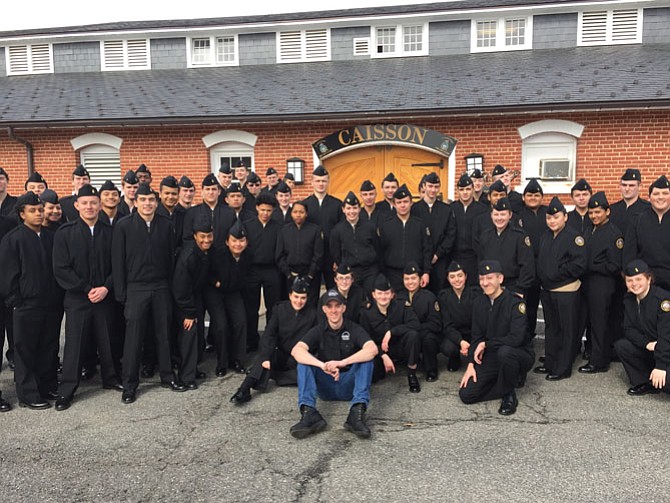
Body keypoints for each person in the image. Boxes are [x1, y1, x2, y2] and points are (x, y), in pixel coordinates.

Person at [112, 183, 185, 404]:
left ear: (157, 201)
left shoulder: (166, 224)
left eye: (151, 200)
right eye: (143, 200)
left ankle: (167, 376)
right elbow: (117, 261)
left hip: (161, 286)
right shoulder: (124, 226)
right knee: (134, 338)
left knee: (163, 333)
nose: (147, 204)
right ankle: (130, 384)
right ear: (135, 202)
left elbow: (171, 259)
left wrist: (171, 288)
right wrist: (121, 293)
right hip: (136, 288)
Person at [52, 185, 122, 411]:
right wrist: (85, 288)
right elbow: (61, 268)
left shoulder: (111, 232)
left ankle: (110, 379)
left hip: (104, 295)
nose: (90, 207)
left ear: (100, 205)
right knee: (75, 345)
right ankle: (68, 389)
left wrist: (105, 288)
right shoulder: (65, 232)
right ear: (76, 205)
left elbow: (119, 266)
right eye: (85, 203)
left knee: (107, 340)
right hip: (78, 298)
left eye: (93, 202)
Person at [0, 192, 62, 409]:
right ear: (22, 214)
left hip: (51, 303)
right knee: (25, 350)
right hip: (26, 305)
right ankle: (28, 393)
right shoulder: (13, 239)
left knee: (48, 347)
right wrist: (16, 301)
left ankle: (46, 386)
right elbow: (8, 274)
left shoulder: (50, 236)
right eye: (32, 210)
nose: (38, 214)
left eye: (40, 209)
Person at [289, 289, 378, 439]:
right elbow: (296, 350)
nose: (334, 310)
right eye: (329, 306)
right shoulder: (318, 330)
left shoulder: (354, 328)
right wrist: (321, 365)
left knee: (366, 359)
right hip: (325, 386)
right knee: (304, 362)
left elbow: (372, 349)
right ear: (324, 309)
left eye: (337, 306)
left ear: (344, 308)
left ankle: (356, 413)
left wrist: (343, 362)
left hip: (349, 385)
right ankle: (309, 413)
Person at [458, 260, 534, 416]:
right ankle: (503, 382)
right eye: (481, 279)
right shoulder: (479, 302)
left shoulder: (515, 302)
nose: (485, 283)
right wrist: (471, 363)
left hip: (518, 354)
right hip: (493, 355)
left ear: (500, 279)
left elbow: (517, 338)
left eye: (489, 278)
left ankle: (508, 393)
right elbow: (476, 336)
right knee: (466, 395)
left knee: (505, 352)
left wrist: (486, 344)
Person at [230, 277, 317, 404]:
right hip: (281, 354)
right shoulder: (279, 309)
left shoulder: (313, 314)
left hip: (299, 358)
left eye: (303, 298)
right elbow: (269, 334)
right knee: (262, 358)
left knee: (309, 374)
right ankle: (244, 390)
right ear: (290, 295)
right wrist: (266, 357)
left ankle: (274, 375)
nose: (299, 301)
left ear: (307, 298)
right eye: (296, 297)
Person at [534, 197, 587, 381]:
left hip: (566, 290)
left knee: (567, 330)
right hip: (548, 290)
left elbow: (579, 264)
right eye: (549, 218)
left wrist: (555, 274)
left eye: (556, 217)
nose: (552, 221)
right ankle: (550, 362)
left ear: (565, 217)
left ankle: (563, 368)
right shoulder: (545, 236)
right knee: (551, 328)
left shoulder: (574, 237)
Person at [578, 191, 623, 374]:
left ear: (607, 212)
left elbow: (614, 265)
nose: (594, 216)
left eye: (598, 212)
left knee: (600, 324)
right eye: (591, 212)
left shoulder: (614, 233)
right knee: (589, 321)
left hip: (602, 285)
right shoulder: (589, 229)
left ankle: (599, 361)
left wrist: (591, 266)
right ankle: (591, 352)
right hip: (587, 283)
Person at [614, 260, 670, 395]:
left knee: (666, 385)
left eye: (639, 279)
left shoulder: (663, 300)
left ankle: (659, 379)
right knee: (622, 346)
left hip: (666, 349)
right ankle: (645, 382)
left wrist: (661, 366)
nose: (634, 284)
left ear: (649, 279)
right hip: (652, 346)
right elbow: (628, 329)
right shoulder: (629, 299)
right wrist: (647, 344)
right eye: (630, 280)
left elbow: (666, 335)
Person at [172, 213, 214, 390]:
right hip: (183, 300)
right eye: (202, 236)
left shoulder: (206, 251)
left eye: (209, 236)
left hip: (195, 296)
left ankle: (193, 369)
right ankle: (186, 376)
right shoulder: (188, 256)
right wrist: (189, 312)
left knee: (198, 337)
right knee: (188, 337)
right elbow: (180, 288)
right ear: (195, 236)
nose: (206, 240)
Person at [359, 274, 422, 392]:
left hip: (399, 346)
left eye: (387, 293)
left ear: (392, 295)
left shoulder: (401, 305)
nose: (383, 297)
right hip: (378, 350)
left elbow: (415, 324)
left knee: (413, 335)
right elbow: (366, 340)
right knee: (374, 376)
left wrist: (392, 332)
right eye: (380, 293)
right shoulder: (366, 312)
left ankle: (411, 373)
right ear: (373, 295)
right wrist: (383, 355)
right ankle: (385, 366)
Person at [243, 193, 283, 352]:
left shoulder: (278, 227)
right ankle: (251, 340)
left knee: (273, 307)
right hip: (252, 270)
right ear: (257, 208)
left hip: (271, 269)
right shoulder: (247, 225)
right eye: (262, 210)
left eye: (269, 210)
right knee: (251, 307)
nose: (265, 213)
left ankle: (270, 340)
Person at [211, 220, 251, 375]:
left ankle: (238, 361)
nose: (238, 244)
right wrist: (215, 282)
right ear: (227, 242)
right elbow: (206, 272)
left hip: (234, 292)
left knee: (240, 322)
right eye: (234, 241)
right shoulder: (218, 253)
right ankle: (222, 363)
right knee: (221, 326)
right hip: (216, 292)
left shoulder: (247, 256)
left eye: (241, 241)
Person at [476, 197, 535, 298]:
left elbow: (527, 266)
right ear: (491, 215)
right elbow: (481, 262)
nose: (499, 218)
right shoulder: (485, 236)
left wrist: (520, 289)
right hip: (490, 287)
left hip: (513, 288)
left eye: (503, 214)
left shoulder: (519, 236)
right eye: (496, 214)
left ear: (510, 215)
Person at [377, 184, 431, 291]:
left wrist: (426, 272)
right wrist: (383, 274)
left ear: (411, 203)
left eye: (405, 202)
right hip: (392, 274)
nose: (403, 205)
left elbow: (427, 250)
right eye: (399, 202)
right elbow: (380, 251)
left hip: (415, 275)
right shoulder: (386, 225)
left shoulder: (420, 224)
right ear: (394, 204)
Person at [410, 172, 456, 293]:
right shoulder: (414, 209)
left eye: (436, 187)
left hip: (440, 260)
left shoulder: (446, 210)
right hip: (419, 260)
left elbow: (450, 235)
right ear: (424, 186)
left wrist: (438, 254)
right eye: (430, 186)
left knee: (440, 292)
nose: (433, 190)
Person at [397, 262, 442, 382]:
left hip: (424, 334)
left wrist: (416, 329)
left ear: (420, 279)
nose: (410, 282)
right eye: (407, 278)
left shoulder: (429, 297)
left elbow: (436, 324)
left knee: (429, 339)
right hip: (407, 336)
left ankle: (431, 369)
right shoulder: (398, 297)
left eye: (413, 278)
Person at [624, 175, 670, 291]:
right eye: (656, 194)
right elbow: (629, 254)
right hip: (646, 283)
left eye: (665, 193)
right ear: (649, 197)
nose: (660, 197)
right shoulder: (638, 220)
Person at [329, 191, 379, 296]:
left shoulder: (370, 227)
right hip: (350, 272)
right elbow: (335, 253)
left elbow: (377, 247)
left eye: (355, 208)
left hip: (370, 271)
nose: (352, 211)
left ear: (359, 209)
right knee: (354, 299)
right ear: (343, 210)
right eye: (348, 208)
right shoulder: (337, 230)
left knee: (370, 299)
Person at [275, 201, 324, 306]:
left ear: (306, 214)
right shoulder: (284, 230)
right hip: (290, 275)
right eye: (295, 212)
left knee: (311, 306)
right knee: (291, 305)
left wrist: (310, 275)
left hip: (311, 275)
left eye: (301, 212)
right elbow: (280, 255)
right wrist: (288, 274)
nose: (298, 214)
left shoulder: (315, 230)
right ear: (291, 213)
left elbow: (318, 255)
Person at [302, 165, 343, 291]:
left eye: (324, 181)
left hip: (331, 255)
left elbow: (341, 233)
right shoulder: (305, 205)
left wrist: (338, 258)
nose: (321, 184)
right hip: (312, 257)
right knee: (311, 293)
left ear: (328, 182)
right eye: (318, 181)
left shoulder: (337, 204)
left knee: (333, 291)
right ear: (312, 182)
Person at [518, 178, 547, 339]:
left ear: (542, 197)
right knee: (528, 305)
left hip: (546, 264)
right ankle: (526, 335)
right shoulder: (518, 215)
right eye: (529, 195)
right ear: (524, 197)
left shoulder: (548, 213)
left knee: (546, 306)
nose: (533, 198)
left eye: (536, 195)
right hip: (526, 266)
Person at [438, 261, 479, 373]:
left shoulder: (476, 294)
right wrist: (460, 341)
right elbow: (447, 325)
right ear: (448, 279)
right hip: (456, 335)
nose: (456, 280)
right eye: (452, 277)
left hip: (473, 333)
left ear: (465, 276)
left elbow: (479, 322)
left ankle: (474, 358)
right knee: (447, 348)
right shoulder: (444, 296)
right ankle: (454, 358)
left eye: (460, 275)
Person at [451, 173, 487, 286]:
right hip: (454, 256)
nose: (465, 192)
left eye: (468, 189)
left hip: (474, 258)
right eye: (461, 189)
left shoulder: (482, 210)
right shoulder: (451, 209)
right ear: (457, 191)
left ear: (472, 189)